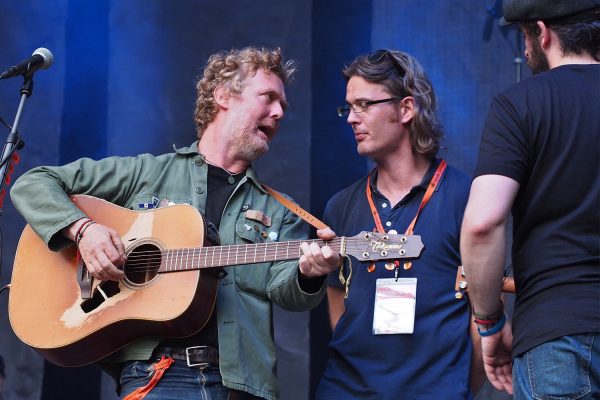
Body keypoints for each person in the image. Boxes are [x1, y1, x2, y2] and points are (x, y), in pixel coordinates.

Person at [10, 47, 339, 400]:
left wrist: (310, 272)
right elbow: (33, 183)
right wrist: (84, 231)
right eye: (269, 97)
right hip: (157, 375)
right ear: (224, 95)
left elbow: (289, 294)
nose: (278, 112)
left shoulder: (281, 209)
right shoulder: (146, 173)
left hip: (243, 383)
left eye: (283, 107)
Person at [314, 49, 481, 399]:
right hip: (347, 389)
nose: (351, 119)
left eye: (364, 105)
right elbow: (335, 298)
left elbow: (484, 314)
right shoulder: (340, 205)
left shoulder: (466, 195)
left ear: (406, 109)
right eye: (349, 107)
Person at [460, 0, 600, 398]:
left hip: (559, 338)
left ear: (542, 32)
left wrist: (488, 322)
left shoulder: (520, 103)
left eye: (523, 36)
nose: (524, 50)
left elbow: (482, 225)